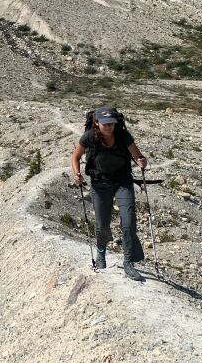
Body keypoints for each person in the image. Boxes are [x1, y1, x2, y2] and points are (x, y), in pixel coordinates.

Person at [70, 105, 148, 281]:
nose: (109, 126)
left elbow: (138, 156)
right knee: (102, 223)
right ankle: (101, 253)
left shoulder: (122, 135)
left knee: (128, 221)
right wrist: (77, 174)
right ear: (96, 123)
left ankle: (129, 262)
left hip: (123, 181)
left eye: (111, 123)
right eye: (105, 123)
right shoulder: (89, 137)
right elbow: (75, 157)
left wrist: (142, 162)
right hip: (100, 183)